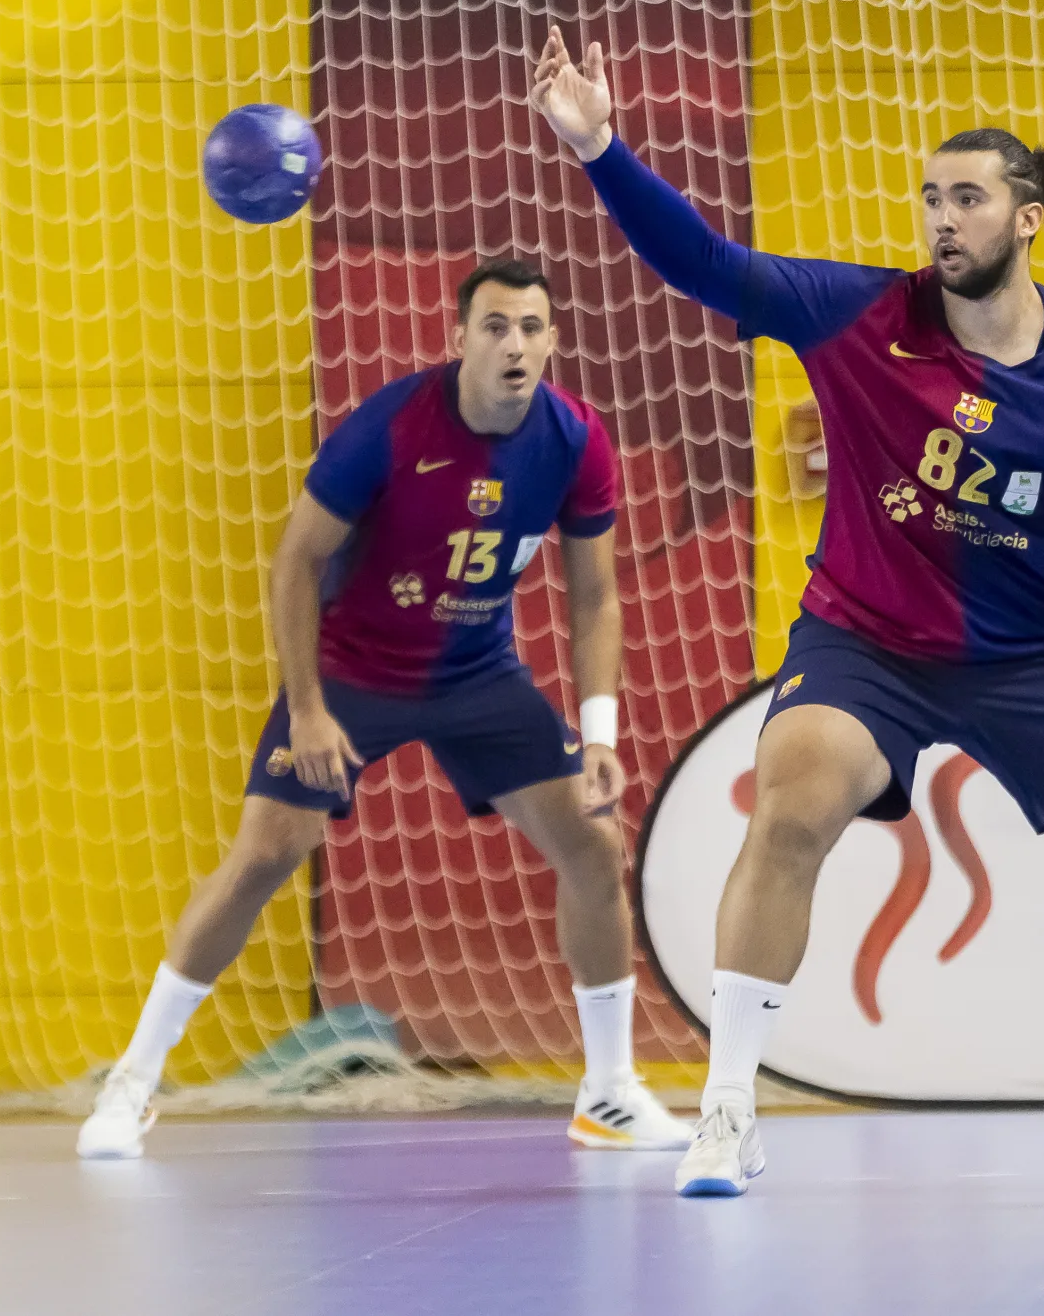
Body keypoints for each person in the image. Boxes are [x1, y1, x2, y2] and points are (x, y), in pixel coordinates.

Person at [529, 30, 1044, 1198]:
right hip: (868, 642)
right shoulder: (860, 315)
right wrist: (599, 145)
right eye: (931, 198)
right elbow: (702, 262)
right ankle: (728, 1112)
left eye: (968, 198)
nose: (942, 219)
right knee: (792, 798)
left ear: (1028, 218)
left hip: (1037, 659)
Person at [77, 260, 689, 1158]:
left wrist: (599, 733)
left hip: (478, 676)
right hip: (351, 671)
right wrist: (308, 709)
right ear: (459, 337)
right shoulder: (390, 427)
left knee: (594, 848)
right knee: (264, 853)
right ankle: (131, 1085)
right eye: (495, 326)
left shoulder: (574, 439)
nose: (514, 345)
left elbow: (595, 596)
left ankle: (609, 1095)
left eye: (530, 328)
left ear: (552, 341)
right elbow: (296, 562)